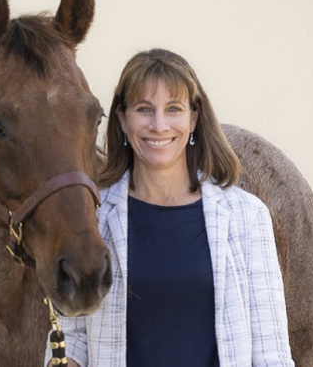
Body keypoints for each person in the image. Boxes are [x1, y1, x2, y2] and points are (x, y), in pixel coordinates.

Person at [45, 48, 294, 366]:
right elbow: (72, 336)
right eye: (144, 109)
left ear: (194, 117)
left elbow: (271, 351)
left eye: (173, 108)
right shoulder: (93, 216)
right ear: (122, 118)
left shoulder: (247, 216)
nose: (159, 125)